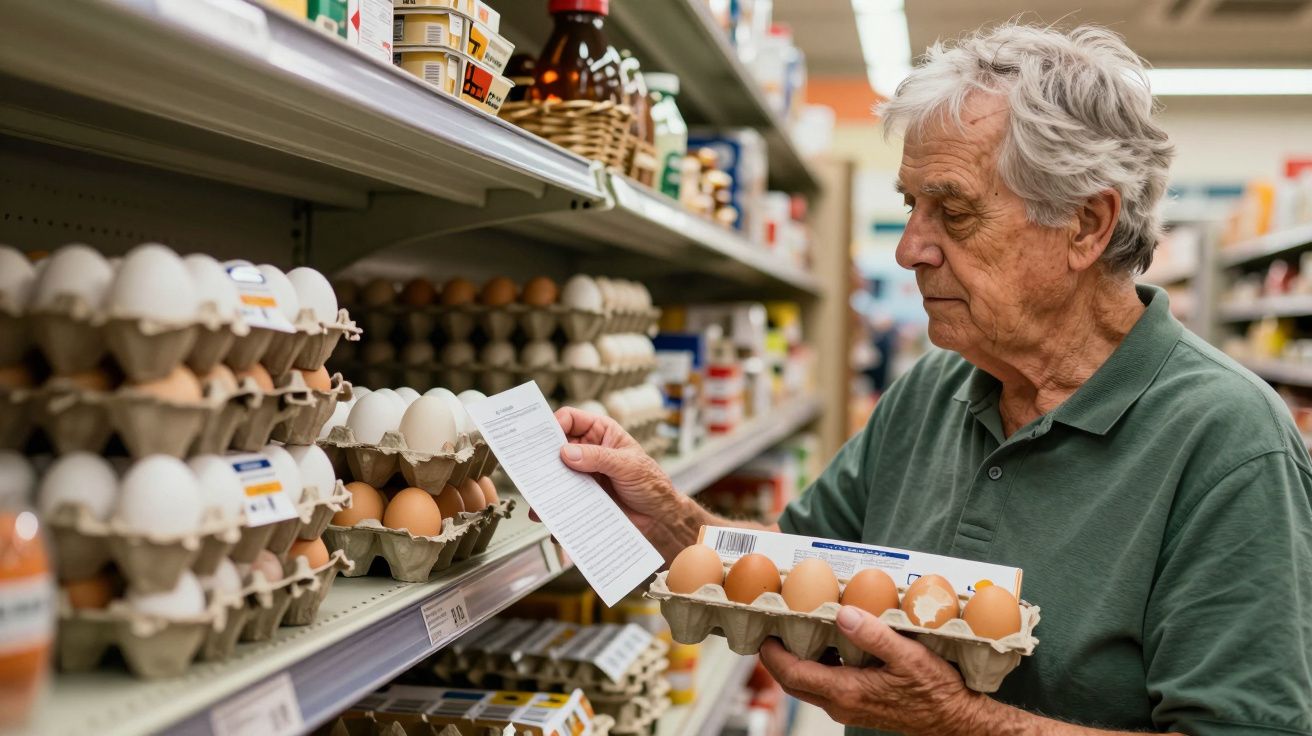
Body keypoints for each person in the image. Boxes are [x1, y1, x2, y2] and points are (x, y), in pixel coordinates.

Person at [547, 22, 1312, 736]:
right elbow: (795, 566)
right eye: (913, 207)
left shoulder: (1229, 444)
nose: (912, 248)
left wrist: (964, 721)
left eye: (954, 212)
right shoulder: (936, 387)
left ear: (1086, 224)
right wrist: (672, 518)